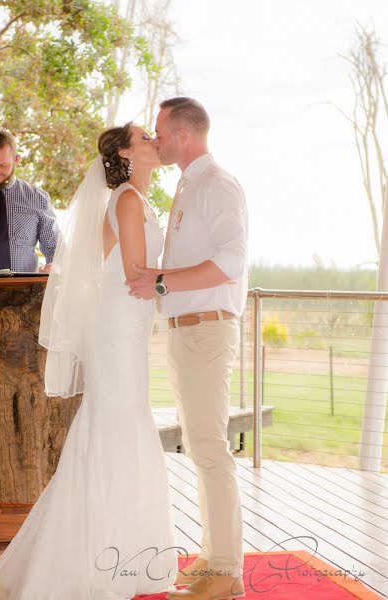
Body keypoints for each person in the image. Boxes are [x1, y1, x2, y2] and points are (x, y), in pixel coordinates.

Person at [0, 124, 179, 599]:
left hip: (127, 327)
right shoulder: (128, 200)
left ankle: (122, 549)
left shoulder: (134, 197)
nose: (154, 140)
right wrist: (189, 283)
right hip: (117, 328)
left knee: (122, 426)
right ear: (124, 153)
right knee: (116, 426)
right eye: (144, 137)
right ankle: (98, 553)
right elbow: (139, 276)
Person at [126, 97, 248, 600]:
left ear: (183, 135)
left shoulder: (218, 186)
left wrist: (158, 279)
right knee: (200, 447)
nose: (155, 140)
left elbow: (230, 263)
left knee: (211, 449)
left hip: (206, 330)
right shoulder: (187, 186)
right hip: (185, 331)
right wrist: (160, 288)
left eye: (160, 132)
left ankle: (226, 574)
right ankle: (211, 559)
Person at [0, 128, 59, 273]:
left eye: (3, 165)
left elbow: (55, 247)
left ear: (17, 160)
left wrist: (53, 266)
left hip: (25, 292)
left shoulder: (37, 198)